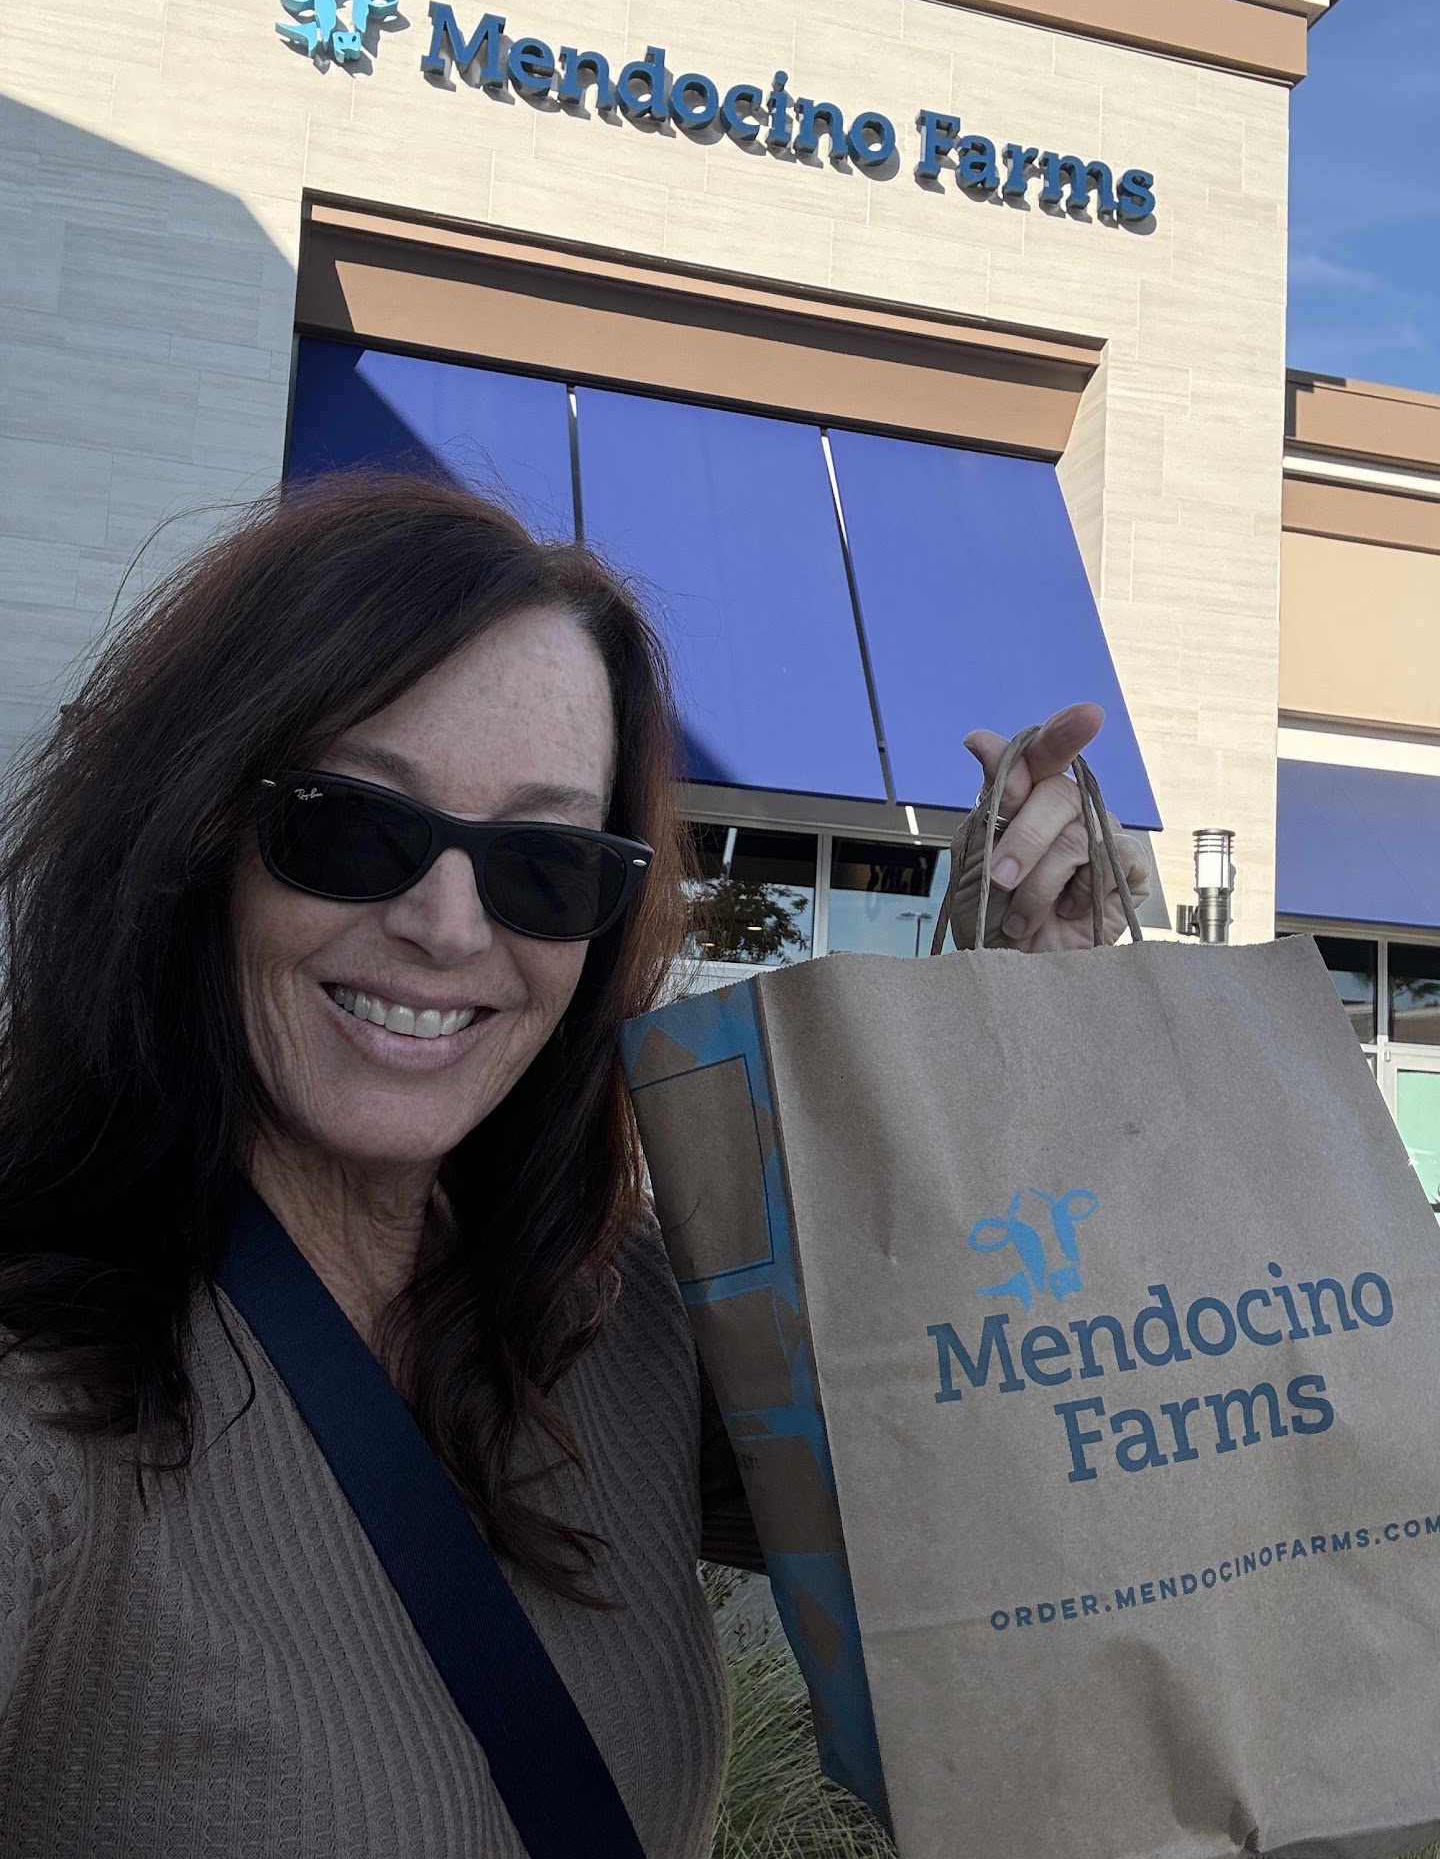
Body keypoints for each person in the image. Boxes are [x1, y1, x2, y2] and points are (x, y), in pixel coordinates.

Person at [0, 473, 1148, 1857]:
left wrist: (1036, 1027)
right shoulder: (37, 1407)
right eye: (353, 825)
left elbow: (1004, 1472)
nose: (447, 925)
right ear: (194, 839)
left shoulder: (623, 1315)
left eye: (543, 864)